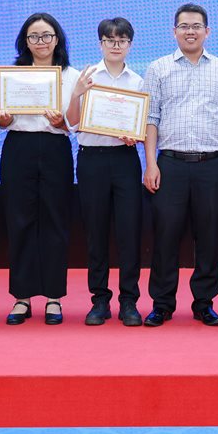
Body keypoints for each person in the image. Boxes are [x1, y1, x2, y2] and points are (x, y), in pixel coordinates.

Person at [141, 3, 218, 327]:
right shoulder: (158, 68)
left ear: (207, 31)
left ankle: (204, 303)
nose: (190, 31)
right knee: (165, 236)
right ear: (174, 32)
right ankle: (162, 304)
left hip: (211, 164)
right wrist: (150, 164)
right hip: (170, 163)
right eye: (184, 26)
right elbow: (150, 118)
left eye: (196, 26)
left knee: (209, 237)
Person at [0, 13, 80, 326]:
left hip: (55, 148)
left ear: (57, 39)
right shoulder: (11, 75)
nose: (41, 42)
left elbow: (77, 123)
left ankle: (54, 297)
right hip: (19, 148)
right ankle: (22, 297)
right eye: (34, 36)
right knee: (20, 221)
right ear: (25, 42)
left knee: (56, 220)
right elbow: (3, 120)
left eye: (46, 35)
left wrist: (62, 123)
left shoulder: (72, 75)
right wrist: (3, 119)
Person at [63, 18, 145, 327]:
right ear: (100, 44)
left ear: (130, 45)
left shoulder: (137, 81)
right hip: (92, 160)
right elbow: (72, 122)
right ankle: (99, 300)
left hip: (124, 160)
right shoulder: (86, 77)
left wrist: (134, 135)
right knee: (95, 232)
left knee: (129, 232)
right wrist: (76, 94)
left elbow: (142, 126)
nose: (115, 45)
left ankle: (129, 301)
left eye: (122, 40)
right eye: (110, 40)